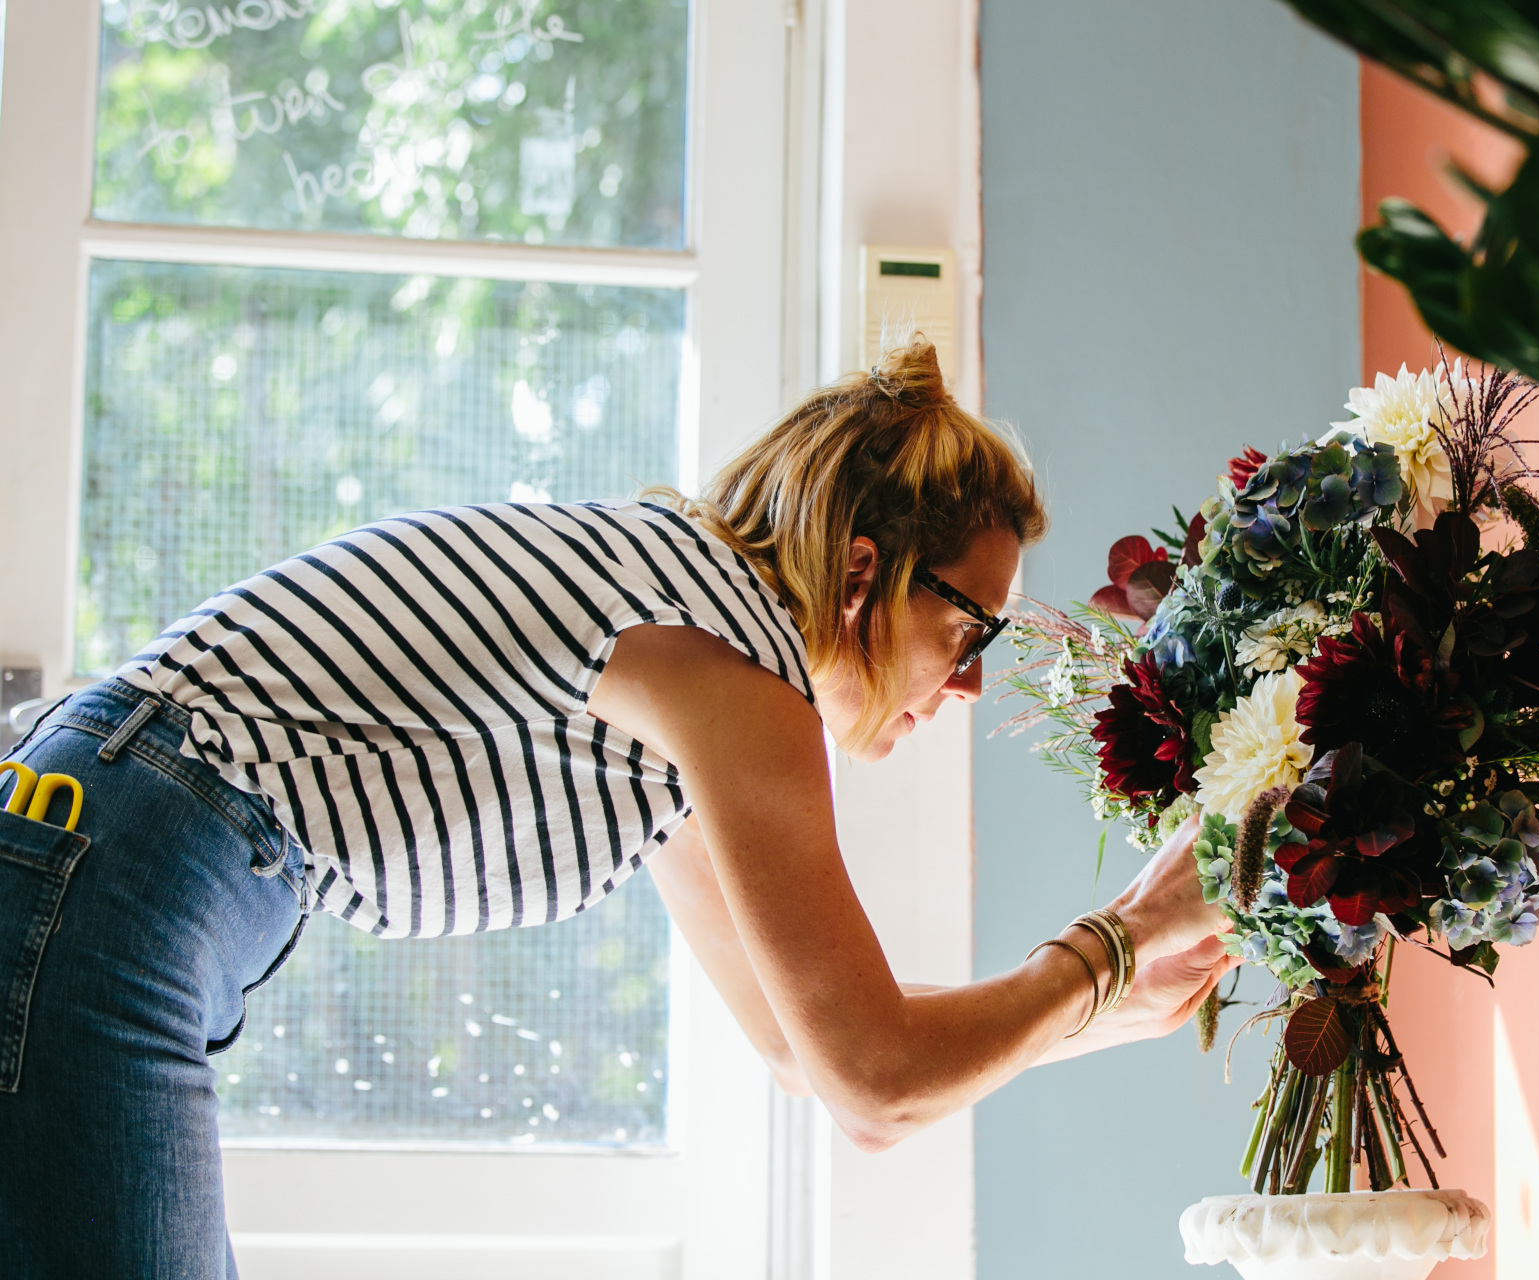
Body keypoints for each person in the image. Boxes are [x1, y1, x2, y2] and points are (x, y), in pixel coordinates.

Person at [0, 340, 1231, 1277]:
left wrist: (1097, 1003)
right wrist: (1116, 935)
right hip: (116, 877)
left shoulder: (685, 650)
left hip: (86, 842)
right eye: (970, 629)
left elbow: (808, 1061)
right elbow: (875, 1080)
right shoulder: (736, 684)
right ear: (864, 569)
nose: (966, 682)